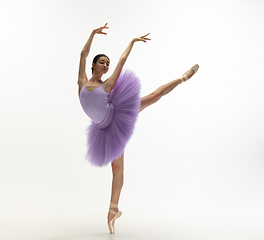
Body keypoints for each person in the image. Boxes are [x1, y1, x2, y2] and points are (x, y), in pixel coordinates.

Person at [78, 23, 199, 234]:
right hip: (103, 130)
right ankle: (113, 211)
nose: (106, 66)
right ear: (93, 66)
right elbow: (83, 53)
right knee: (116, 169)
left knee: (154, 96)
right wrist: (92, 34)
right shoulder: (81, 82)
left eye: (108, 63)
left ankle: (183, 77)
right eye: (102, 63)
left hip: (117, 117)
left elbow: (122, 61)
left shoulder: (107, 85)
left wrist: (132, 42)